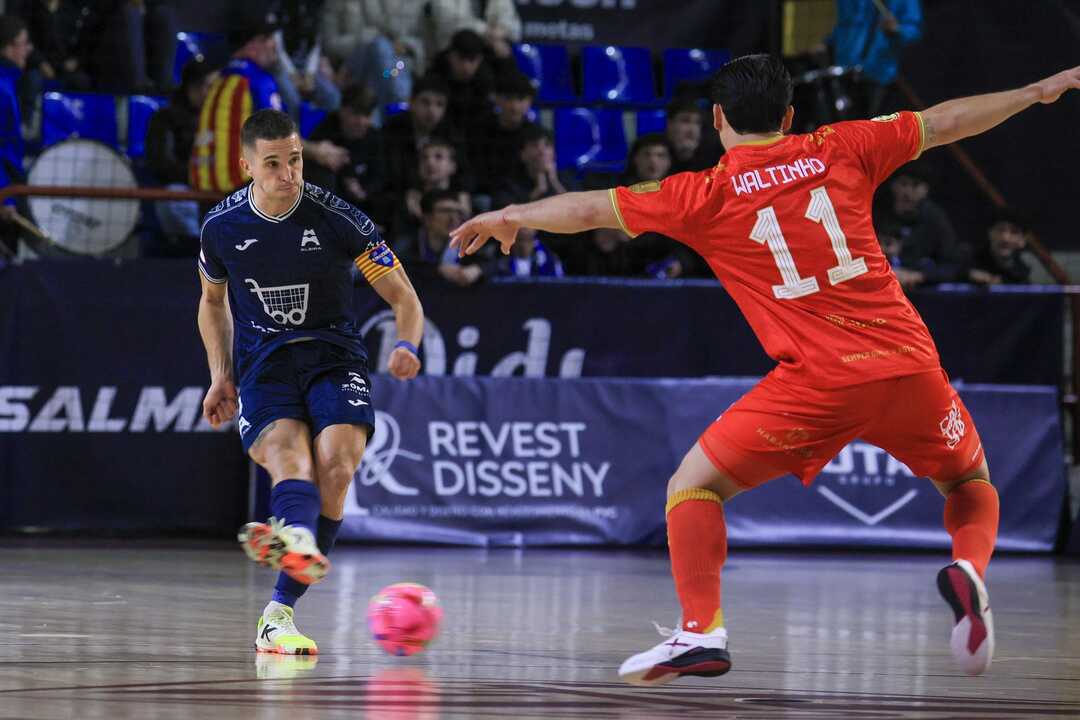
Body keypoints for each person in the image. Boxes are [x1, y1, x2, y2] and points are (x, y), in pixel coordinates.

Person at [452, 54, 1080, 684]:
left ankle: (700, 631)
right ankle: (968, 569)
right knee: (970, 482)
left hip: (816, 385)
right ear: (788, 116)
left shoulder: (703, 194)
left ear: (718, 117)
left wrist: (511, 216)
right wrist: (1035, 88)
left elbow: (591, 211)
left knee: (693, 486)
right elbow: (945, 122)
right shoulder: (843, 146)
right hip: (909, 367)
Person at [197, 108, 424, 655]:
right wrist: (220, 375)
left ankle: (286, 573)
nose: (288, 174)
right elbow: (211, 302)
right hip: (264, 364)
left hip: (335, 356)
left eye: (295, 160)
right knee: (289, 460)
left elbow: (404, 297)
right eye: (272, 164)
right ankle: (288, 573)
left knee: (338, 469)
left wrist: (405, 345)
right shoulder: (221, 227)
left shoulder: (336, 217)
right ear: (246, 164)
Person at [145, 59, 214, 248]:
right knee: (173, 198)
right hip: (186, 189)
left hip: (218, 190)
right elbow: (162, 165)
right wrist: (200, 177)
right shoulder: (164, 119)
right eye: (210, 87)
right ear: (194, 88)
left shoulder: (223, 121)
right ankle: (198, 249)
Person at [873, 162, 969, 289]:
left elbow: (952, 264)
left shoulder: (935, 218)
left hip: (921, 291)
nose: (907, 192)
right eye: (903, 184)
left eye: (915, 185)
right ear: (893, 185)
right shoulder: (875, 214)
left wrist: (921, 275)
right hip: (879, 286)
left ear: (925, 190)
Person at [828, 0, 922, 117]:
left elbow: (913, 30)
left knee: (870, 123)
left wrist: (897, 29)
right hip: (845, 70)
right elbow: (843, 25)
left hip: (878, 72)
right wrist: (827, 43)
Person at [967, 208, 1032, 285]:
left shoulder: (1024, 274)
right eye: (1000, 229)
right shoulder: (969, 263)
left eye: (1014, 232)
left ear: (1022, 241)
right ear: (989, 233)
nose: (1005, 238)